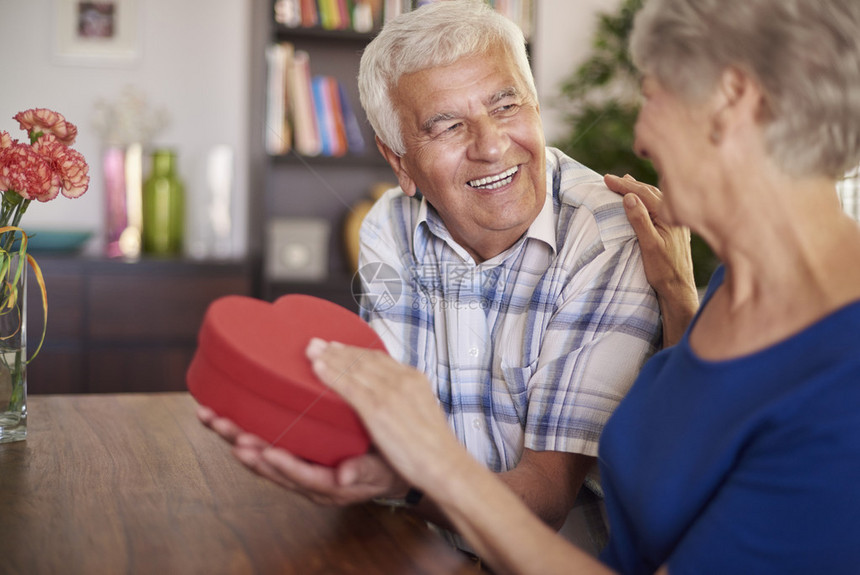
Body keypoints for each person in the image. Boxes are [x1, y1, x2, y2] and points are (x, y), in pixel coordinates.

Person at [301, 0, 860, 572]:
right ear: (399, 161)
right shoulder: (733, 288)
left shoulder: (838, 375)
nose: (638, 140)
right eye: (447, 125)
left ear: (735, 101)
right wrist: (679, 299)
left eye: (651, 95)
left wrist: (423, 473)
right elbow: (697, 458)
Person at [199, 0, 662, 558]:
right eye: (447, 126)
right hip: (416, 544)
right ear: (401, 165)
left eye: (507, 104)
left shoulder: (606, 236)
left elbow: (547, 496)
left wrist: (403, 484)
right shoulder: (389, 227)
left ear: (536, 106)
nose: (491, 145)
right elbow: (386, 426)